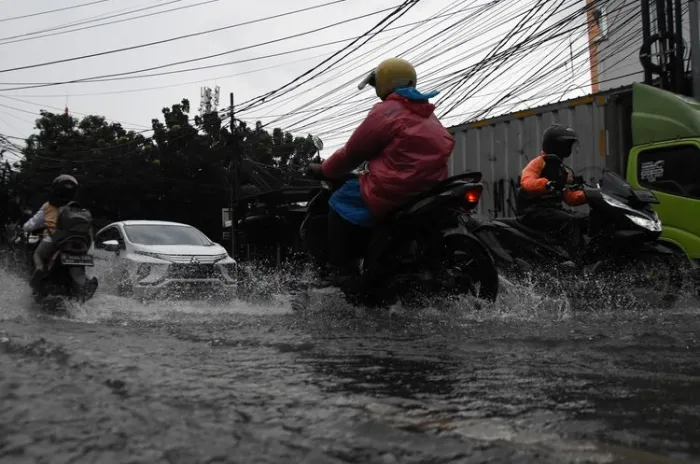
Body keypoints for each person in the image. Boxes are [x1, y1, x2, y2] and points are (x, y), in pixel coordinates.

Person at [307, 57, 455, 285]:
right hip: (429, 188)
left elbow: (351, 153)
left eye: (377, 84)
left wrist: (325, 169)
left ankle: (340, 268)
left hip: (395, 188)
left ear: (385, 82)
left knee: (339, 200)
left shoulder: (387, 111)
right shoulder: (427, 112)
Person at [516, 124, 587, 262]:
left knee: (586, 220)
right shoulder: (539, 162)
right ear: (554, 145)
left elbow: (570, 198)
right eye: (566, 145)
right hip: (533, 211)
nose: (568, 149)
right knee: (570, 221)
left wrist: (590, 195)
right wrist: (545, 183)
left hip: (552, 211)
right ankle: (578, 262)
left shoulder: (562, 169)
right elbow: (527, 181)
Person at [23, 174, 79, 288]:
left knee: (37, 254)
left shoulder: (48, 205)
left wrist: (25, 227)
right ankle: (83, 283)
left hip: (52, 238)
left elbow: (31, 225)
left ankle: (39, 271)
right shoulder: (76, 206)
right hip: (74, 240)